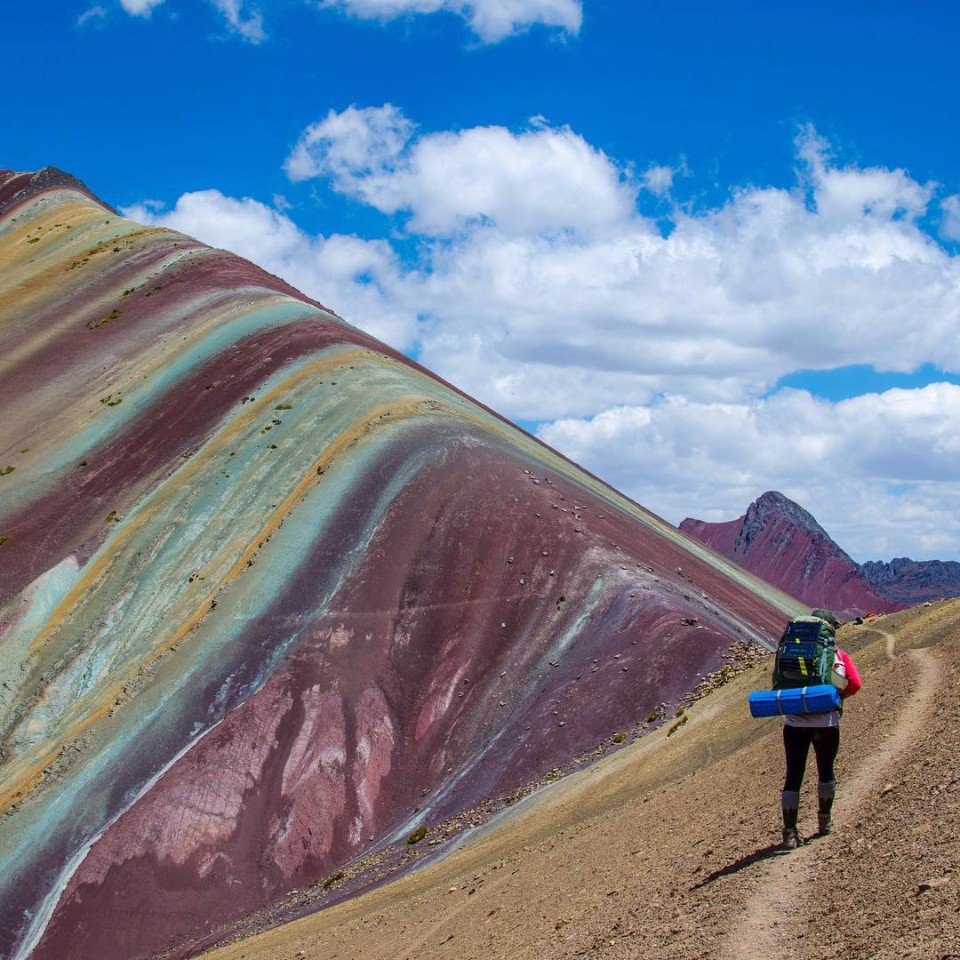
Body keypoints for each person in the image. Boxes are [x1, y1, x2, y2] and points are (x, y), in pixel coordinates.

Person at [780, 609, 862, 850]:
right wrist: (835, 698)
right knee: (826, 770)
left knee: (793, 775)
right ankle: (824, 821)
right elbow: (855, 683)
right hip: (826, 723)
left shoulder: (791, 651)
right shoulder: (838, 655)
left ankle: (789, 832)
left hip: (794, 724)